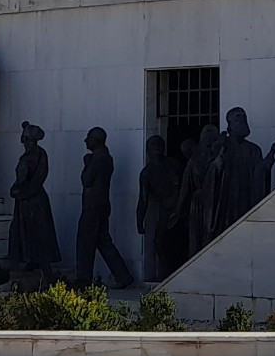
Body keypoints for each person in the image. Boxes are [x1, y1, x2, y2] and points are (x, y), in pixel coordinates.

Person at [74, 127, 135, 289]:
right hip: (101, 204)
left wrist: (86, 163)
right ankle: (123, 276)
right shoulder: (106, 157)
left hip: (93, 206)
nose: (85, 141)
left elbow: (87, 180)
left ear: (96, 140)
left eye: (88, 138)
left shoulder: (98, 158)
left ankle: (83, 279)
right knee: (103, 241)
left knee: (85, 242)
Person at [211, 107, 275, 238]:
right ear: (230, 125)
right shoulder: (221, 146)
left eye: (244, 117)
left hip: (246, 198)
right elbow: (212, 175)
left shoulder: (253, 149)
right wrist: (220, 156)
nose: (242, 120)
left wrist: (272, 152)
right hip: (227, 200)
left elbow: (260, 172)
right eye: (238, 118)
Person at [6, 121, 60, 276]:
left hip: (33, 200)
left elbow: (37, 179)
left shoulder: (37, 155)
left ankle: (46, 270)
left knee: (39, 233)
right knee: (26, 232)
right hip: (27, 200)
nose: (25, 143)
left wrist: (20, 192)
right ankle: (29, 260)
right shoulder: (32, 155)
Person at [135, 135, 185, 281]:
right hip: (165, 210)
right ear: (148, 150)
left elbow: (184, 185)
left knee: (178, 240)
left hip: (180, 207)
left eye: (159, 144)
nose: (156, 147)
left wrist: (178, 204)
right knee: (159, 242)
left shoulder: (173, 164)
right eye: (153, 145)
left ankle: (177, 272)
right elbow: (143, 199)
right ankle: (167, 273)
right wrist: (139, 222)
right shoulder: (147, 173)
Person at [171, 124, 223, 255]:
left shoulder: (219, 158)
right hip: (205, 202)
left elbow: (185, 190)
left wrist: (179, 210)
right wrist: (178, 212)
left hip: (211, 201)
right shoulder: (197, 161)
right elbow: (185, 189)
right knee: (200, 236)